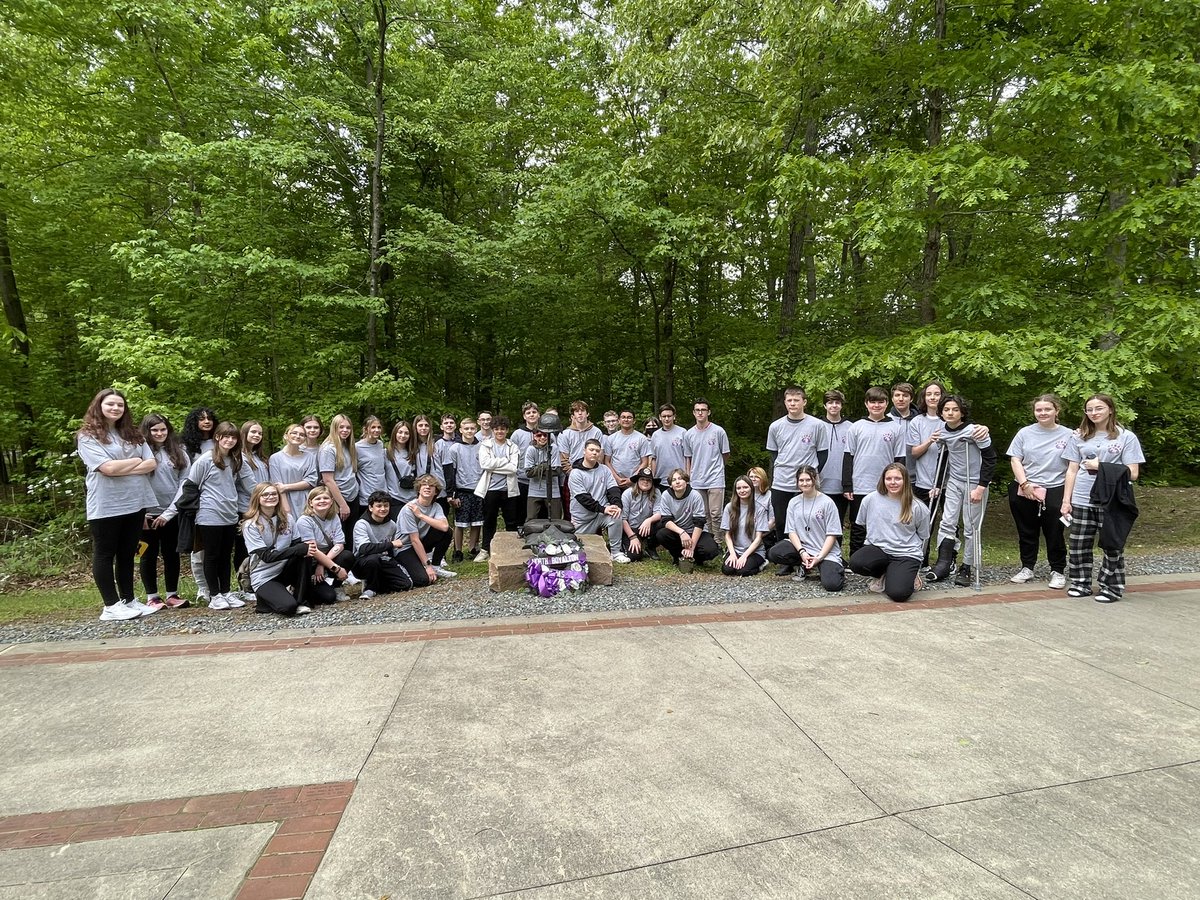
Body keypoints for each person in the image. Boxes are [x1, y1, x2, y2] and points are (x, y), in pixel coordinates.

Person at [77, 389, 159, 621]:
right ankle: (110, 606)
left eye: (120, 405)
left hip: (136, 501)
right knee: (105, 553)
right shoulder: (87, 436)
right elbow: (107, 469)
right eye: (110, 404)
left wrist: (122, 466)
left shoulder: (132, 434)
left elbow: (151, 463)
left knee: (127, 553)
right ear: (99, 406)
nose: (115, 408)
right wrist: (135, 461)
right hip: (106, 504)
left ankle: (129, 600)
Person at [157, 421, 253, 610]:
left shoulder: (236, 460)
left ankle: (226, 592)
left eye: (233, 437)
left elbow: (250, 485)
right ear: (217, 437)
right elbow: (190, 486)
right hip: (209, 515)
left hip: (230, 514)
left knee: (226, 555)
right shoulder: (206, 460)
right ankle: (214, 595)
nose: (229, 440)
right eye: (225, 436)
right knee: (211, 556)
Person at [1060, 394, 1145, 602]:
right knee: (1079, 543)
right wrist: (1066, 500)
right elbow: (1071, 469)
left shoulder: (1126, 437)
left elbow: (1133, 472)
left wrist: (1101, 467)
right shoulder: (1079, 436)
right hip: (1081, 497)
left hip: (1112, 498)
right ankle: (1080, 583)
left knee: (1112, 544)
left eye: (1099, 408)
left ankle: (1111, 587)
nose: (1094, 413)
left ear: (1110, 410)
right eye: (1089, 409)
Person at [927, 395, 996, 587]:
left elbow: (990, 459)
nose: (950, 413)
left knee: (971, 527)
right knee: (947, 522)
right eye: (946, 409)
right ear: (941, 412)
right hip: (955, 482)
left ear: (962, 412)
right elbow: (943, 459)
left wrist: (981, 487)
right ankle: (944, 563)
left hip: (975, 484)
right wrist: (938, 485)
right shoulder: (942, 432)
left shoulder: (975, 431)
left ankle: (966, 567)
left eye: (955, 410)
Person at [1007, 394, 1072, 588]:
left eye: (1047, 409)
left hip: (1055, 488)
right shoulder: (1024, 433)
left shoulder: (1069, 435)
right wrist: (1025, 484)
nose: (1043, 413)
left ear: (1056, 411)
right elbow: (1015, 459)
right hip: (1026, 488)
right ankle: (1027, 567)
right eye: (1039, 410)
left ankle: (1058, 570)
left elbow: (1073, 466)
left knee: (1054, 532)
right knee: (1026, 531)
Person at [765, 386, 829, 570]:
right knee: (782, 520)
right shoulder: (775, 426)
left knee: (807, 520)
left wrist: (810, 475)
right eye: (789, 400)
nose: (793, 403)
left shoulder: (817, 425)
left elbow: (822, 454)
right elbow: (773, 453)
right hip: (782, 481)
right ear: (785, 403)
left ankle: (811, 556)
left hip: (807, 483)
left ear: (804, 402)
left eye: (796, 400)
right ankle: (786, 560)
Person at [848, 463, 931, 602]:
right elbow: (861, 524)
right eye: (889, 479)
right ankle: (883, 573)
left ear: (905, 480)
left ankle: (910, 574)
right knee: (857, 563)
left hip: (906, 553)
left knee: (899, 594)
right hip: (879, 549)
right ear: (883, 480)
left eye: (897, 478)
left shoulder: (917, 507)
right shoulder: (870, 499)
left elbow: (923, 536)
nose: (893, 482)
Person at [843, 387, 907, 557]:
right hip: (860, 483)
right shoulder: (856, 427)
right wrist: (847, 485)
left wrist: (899, 484)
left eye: (880, 402)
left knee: (884, 521)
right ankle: (856, 557)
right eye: (873, 402)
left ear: (886, 403)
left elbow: (899, 459)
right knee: (858, 523)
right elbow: (848, 457)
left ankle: (884, 555)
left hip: (886, 485)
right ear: (866, 404)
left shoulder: (896, 428)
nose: (876, 405)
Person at [766, 466, 845, 592]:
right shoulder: (793, 502)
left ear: (814, 480)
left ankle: (828, 567)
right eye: (801, 480)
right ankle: (803, 565)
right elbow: (791, 531)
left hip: (825, 551)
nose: (804, 483)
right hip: (804, 547)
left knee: (832, 585)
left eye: (808, 480)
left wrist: (819, 557)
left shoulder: (827, 503)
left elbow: (832, 534)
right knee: (774, 552)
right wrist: (802, 552)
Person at [139, 414, 189, 609]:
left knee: (171, 554)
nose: (159, 433)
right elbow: (135, 483)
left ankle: (172, 594)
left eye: (163, 429)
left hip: (171, 514)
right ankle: (152, 596)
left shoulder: (179, 452)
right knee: (146, 555)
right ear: (147, 432)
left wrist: (169, 513)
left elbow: (185, 482)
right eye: (154, 430)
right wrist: (141, 512)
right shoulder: (139, 453)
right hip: (146, 516)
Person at [241, 483, 313, 617]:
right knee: (288, 608)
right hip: (264, 576)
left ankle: (300, 600)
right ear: (258, 498)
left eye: (274, 494)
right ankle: (265, 601)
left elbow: (298, 545)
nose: (271, 497)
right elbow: (267, 557)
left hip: (284, 569)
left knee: (305, 555)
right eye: (265, 494)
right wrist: (298, 549)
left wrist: (301, 549)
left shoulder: (288, 519)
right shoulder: (251, 525)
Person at [568, 438, 630, 563]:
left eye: (597, 451)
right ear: (584, 451)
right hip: (583, 519)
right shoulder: (575, 473)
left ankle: (616, 552)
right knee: (577, 550)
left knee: (616, 514)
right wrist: (604, 508)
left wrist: (616, 505)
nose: (594, 453)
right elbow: (583, 499)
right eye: (591, 450)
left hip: (601, 513)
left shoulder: (604, 470)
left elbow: (613, 489)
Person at [294, 485, 356, 604]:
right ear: (310, 502)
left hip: (325, 559)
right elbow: (312, 549)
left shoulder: (334, 517)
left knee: (347, 556)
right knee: (328, 598)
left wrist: (322, 565)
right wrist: (335, 568)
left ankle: (337, 586)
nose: (322, 501)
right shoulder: (304, 521)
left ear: (332, 501)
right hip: (310, 562)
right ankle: (302, 587)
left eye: (325, 498)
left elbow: (339, 544)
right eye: (318, 499)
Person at [180, 406, 217, 601]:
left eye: (209, 418)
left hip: (219, 501)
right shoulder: (186, 445)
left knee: (216, 549)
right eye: (201, 418)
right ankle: (202, 588)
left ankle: (218, 587)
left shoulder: (221, 441)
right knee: (198, 549)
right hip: (195, 502)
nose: (206, 421)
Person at [654, 468, 720, 573]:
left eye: (680, 479)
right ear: (671, 485)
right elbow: (666, 520)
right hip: (678, 532)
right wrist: (681, 532)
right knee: (661, 534)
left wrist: (691, 548)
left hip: (696, 532)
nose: (677, 482)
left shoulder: (695, 495)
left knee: (711, 550)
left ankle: (696, 558)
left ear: (686, 481)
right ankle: (678, 556)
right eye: (674, 480)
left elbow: (699, 522)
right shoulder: (666, 495)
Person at [475, 415, 521, 561]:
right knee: (489, 520)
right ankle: (485, 549)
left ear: (507, 430)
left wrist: (494, 465)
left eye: (502, 429)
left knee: (511, 521)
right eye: (496, 429)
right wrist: (504, 462)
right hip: (490, 489)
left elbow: (513, 468)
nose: (499, 431)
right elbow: (485, 464)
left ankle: (512, 548)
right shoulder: (485, 445)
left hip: (509, 489)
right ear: (493, 430)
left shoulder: (513, 446)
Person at [351, 492, 414, 598]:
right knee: (373, 559)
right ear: (371, 507)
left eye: (386, 506)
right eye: (379, 506)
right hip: (363, 562)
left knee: (406, 584)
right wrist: (391, 544)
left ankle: (378, 585)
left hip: (384, 559)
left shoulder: (391, 525)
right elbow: (364, 548)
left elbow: (393, 549)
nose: (383, 509)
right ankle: (369, 588)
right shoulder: (362, 524)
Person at [396, 475, 455, 585]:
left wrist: (421, 515)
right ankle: (404, 567)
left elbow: (444, 527)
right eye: (424, 484)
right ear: (419, 489)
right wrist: (427, 566)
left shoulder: (436, 506)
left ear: (436, 492)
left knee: (447, 532)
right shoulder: (409, 509)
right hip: (405, 547)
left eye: (431, 485)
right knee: (422, 580)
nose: (428, 487)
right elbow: (414, 540)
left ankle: (436, 566)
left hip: (422, 541)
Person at [684, 398, 731, 537]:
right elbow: (688, 458)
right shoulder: (689, 434)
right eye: (697, 410)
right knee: (702, 513)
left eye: (703, 410)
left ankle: (718, 540)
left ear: (708, 412)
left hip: (715, 477)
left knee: (715, 512)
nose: (700, 413)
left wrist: (718, 468)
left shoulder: (718, 431)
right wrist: (688, 477)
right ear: (693, 412)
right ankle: (706, 539)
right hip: (697, 479)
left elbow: (726, 454)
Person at [445, 417, 484, 562]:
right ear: (460, 430)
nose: (469, 431)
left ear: (476, 429)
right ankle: (458, 550)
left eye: (472, 428)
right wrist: (451, 494)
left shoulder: (481, 446)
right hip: (462, 490)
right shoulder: (455, 448)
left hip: (478, 489)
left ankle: (473, 548)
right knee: (459, 523)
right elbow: (451, 472)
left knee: (477, 521)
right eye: (466, 429)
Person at [319, 414, 360, 548]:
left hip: (353, 496)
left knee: (351, 536)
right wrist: (342, 505)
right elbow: (328, 480)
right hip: (339, 499)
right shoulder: (328, 449)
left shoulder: (347, 446)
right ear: (334, 428)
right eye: (341, 427)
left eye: (348, 427)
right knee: (340, 538)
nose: (345, 430)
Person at [236, 420, 273, 569]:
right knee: (244, 548)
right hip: (247, 508)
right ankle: (243, 582)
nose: (257, 435)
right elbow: (250, 486)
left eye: (260, 433)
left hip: (263, 507)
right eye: (253, 432)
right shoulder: (241, 457)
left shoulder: (260, 457)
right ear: (244, 434)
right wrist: (268, 497)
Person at [720, 476, 769, 576]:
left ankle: (762, 564)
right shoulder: (729, 507)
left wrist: (744, 556)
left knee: (742, 571)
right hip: (735, 549)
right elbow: (727, 535)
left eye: (745, 487)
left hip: (755, 551)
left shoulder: (760, 508)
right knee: (727, 570)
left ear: (751, 488)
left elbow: (758, 538)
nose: (742, 491)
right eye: (739, 488)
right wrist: (732, 554)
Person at [271, 424, 319, 523]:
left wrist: (286, 487)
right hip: (285, 499)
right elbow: (278, 486)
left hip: (306, 499)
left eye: (302, 434)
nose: (298, 436)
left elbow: (311, 481)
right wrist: (286, 508)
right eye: (294, 433)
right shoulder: (275, 458)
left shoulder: (309, 457)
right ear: (286, 435)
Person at [819, 390, 851, 527]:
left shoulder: (851, 427)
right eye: (830, 402)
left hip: (841, 485)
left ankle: (836, 549)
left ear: (841, 405)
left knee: (837, 524)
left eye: (837, 402)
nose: (834, 406)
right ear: (825, 405)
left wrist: (849, 484)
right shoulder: (816, 425)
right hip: (820, 485)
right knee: (819, 524)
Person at [509, 402, 541, 529]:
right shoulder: (517, 434)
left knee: (540, 513)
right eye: (528, 413)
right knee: (521, 511)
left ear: (539, 415)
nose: (531, 415)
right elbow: (511, 455)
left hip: (540, 480)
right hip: (522, 479)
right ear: (524, 416)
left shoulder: (545, 432)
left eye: (534, 412)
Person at [603, 409, 651, 489]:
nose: (626, 419)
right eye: (623, 417)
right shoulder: (611, 439)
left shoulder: (642, 438)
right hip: (615, 481)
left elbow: (644, 462)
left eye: (629, 417)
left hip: (635, 482)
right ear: (619, 420)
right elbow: (607, 461)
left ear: (634, 421)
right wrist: (617, 478)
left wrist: (632, 479)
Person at [620, 468, 661, 560]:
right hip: (630, 529)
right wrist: (632, 537)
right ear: (637, 481)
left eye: (648, 480)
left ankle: (650, 546)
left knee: (663, 523)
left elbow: (659, 513)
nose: (645, 482)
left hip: (646, 527)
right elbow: (623, 518)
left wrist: (649, 520)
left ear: (652, 482)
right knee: (635, 557)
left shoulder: (657, 492)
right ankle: (621, 545)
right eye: (642, 479)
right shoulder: (627, 494)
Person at [524, 427, 562, 521]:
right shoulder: (531, 449)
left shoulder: (554, 448)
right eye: (539, 435)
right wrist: (544, 466)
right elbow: (528, 473)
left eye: (545, 435)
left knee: (556, 518)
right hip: (534, 490)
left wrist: (537, 469)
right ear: (534, 436)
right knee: (531, 518)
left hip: (553, 490)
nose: (542, 438)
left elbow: (557, 471)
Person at [649, 404, 688, 491]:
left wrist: (687, 476)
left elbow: (687, 457)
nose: (666, 419)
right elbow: (653, 458)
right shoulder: (655, 435)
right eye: (664, 416)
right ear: (660, 417)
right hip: (661, 480)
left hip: (679, 480)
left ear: (674, 417)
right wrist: (653, 477)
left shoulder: (683, 432)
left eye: (669, 416)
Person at [356, 416, 389, 518]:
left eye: (379, 427)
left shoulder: (380, 444)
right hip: (366, 495)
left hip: (382, 493)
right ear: (366, 429)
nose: (376, 430)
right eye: (373, 427)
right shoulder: (357, 447)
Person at [385, 420, 417, 507]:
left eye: (406, 433)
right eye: (400, 432)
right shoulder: (386, 453)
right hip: (394, 498)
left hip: (413, 499)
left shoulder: (414, 453)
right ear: (395, 433)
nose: (403, 435)